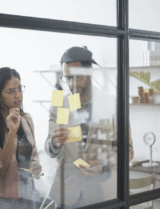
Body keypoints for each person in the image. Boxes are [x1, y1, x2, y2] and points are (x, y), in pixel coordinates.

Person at [45, 46, 134, 208]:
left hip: (102, 192)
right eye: (68, 78)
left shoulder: (112, 103)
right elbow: (49, 148)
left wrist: (103, 166)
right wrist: (54, 143)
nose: (72, 84)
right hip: (66, 195)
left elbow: (127, 150)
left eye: (78, 77)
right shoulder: (61, 103)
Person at [0, 67, 42, 209]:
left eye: (19, 89)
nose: (18, 96)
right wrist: (12, 132)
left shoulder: (26, 119)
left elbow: (33, 152)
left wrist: (35, 166)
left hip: (27, 191)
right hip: (1, 197)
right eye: (11, 91)